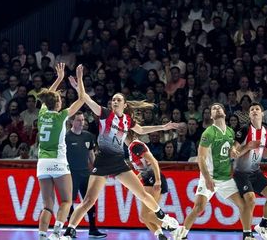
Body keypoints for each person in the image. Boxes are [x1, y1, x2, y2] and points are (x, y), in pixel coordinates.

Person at [64, 77, 184, 239]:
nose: (114, 101)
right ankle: (68, 232)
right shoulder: (105, 114)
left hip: (119, 163)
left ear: (124, 104)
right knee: (88, 201)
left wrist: (163, 127)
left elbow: (141, 130)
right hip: (103, 161)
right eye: (113, 99)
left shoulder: (127, 120)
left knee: (142, 193)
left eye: (118, 100)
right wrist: (80, 86)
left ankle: (165, 218)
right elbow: (87, 99)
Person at [173, 103, 256, 240]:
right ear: (211, 116)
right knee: (199, 207)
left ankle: (247, 235)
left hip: (225, 178)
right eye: (213, 109)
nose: (217, 109)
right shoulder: (209, 133)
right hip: (209, 176)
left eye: (219, 108)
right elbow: (201, 158)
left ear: (224, 112)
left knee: (243, 205)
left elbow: (230, 154)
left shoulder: (230, 132)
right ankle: (181, 235)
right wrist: (207, 178)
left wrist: (244, 148)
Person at [35, 63, 88, 240]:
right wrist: (80, 80)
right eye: (60, 100)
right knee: (66, 201)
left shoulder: (42, 114)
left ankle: (42, 235)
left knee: (47, 205)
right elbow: (82, 99)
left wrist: (58, 79)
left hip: (42, 163)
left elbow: (46, 98)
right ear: (57, 104)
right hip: (57, 161)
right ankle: (57, 233)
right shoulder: (61, 116)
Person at [234, 103, 267, 240]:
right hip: (241, 173)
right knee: (251, 199)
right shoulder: (244, 130)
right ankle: (247, 234)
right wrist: (247, 147)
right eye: (251, 109)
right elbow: (233, 153)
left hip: (255, 171)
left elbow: (264, 154)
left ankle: (263, 225)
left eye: (257, 109)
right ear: (249, 114)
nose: (254, 111)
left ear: (262, 113)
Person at [127, 130, 173, 240]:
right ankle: (160, 235)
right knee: (144, 216)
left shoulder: (135, 145)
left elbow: (153, 162)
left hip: (154, 180)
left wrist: (157, 180)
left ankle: (174, 227)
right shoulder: (132, 147)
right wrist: (136, 179)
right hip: (149, 179)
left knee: (146, 215)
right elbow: (145, 168)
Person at [65, 112, 105, 238]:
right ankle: (70, 229)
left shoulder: (88, 136)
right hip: (71, 174)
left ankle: (93, 229)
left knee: (90, 200)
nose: (81, 122)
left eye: (82, 120)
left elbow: (91, 154)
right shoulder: (66, 137)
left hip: (85, 174)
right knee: (70, 202)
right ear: (72, 122)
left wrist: (95, 169)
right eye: (78, 120)